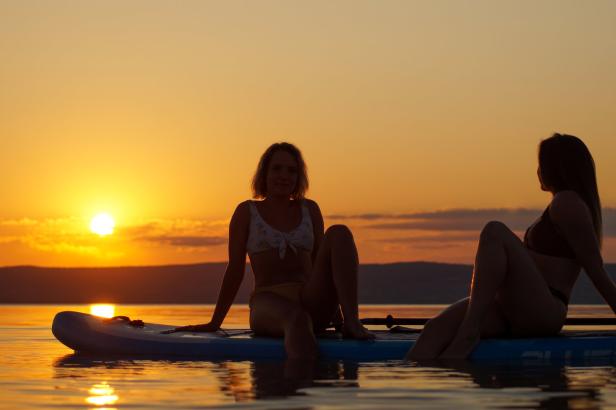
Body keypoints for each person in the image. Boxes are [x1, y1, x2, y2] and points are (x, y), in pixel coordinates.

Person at [407, 133, 613, 360]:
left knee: (494, 231)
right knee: (434, 330)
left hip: (544, 310)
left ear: (556, 168)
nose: (537, 172)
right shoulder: (559, 204)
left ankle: (469, 331)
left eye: (541, 164)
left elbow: (596, 271)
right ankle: (418, 390)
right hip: (513, 306)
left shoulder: (567, 203)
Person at [165, 142, 374, 359]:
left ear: (299, 177)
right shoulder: (247, 212)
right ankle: (302, 385)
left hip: (309, 297)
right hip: (269, 302)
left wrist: (338, 317)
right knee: (298, 319)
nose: (284, 176)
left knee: (340, 232)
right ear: (264, 173)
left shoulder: (310, 209)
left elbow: (324, 265)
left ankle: (352, 322)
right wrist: (215, 322)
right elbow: (235, 270)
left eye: (291, 170)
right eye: (277, 169)